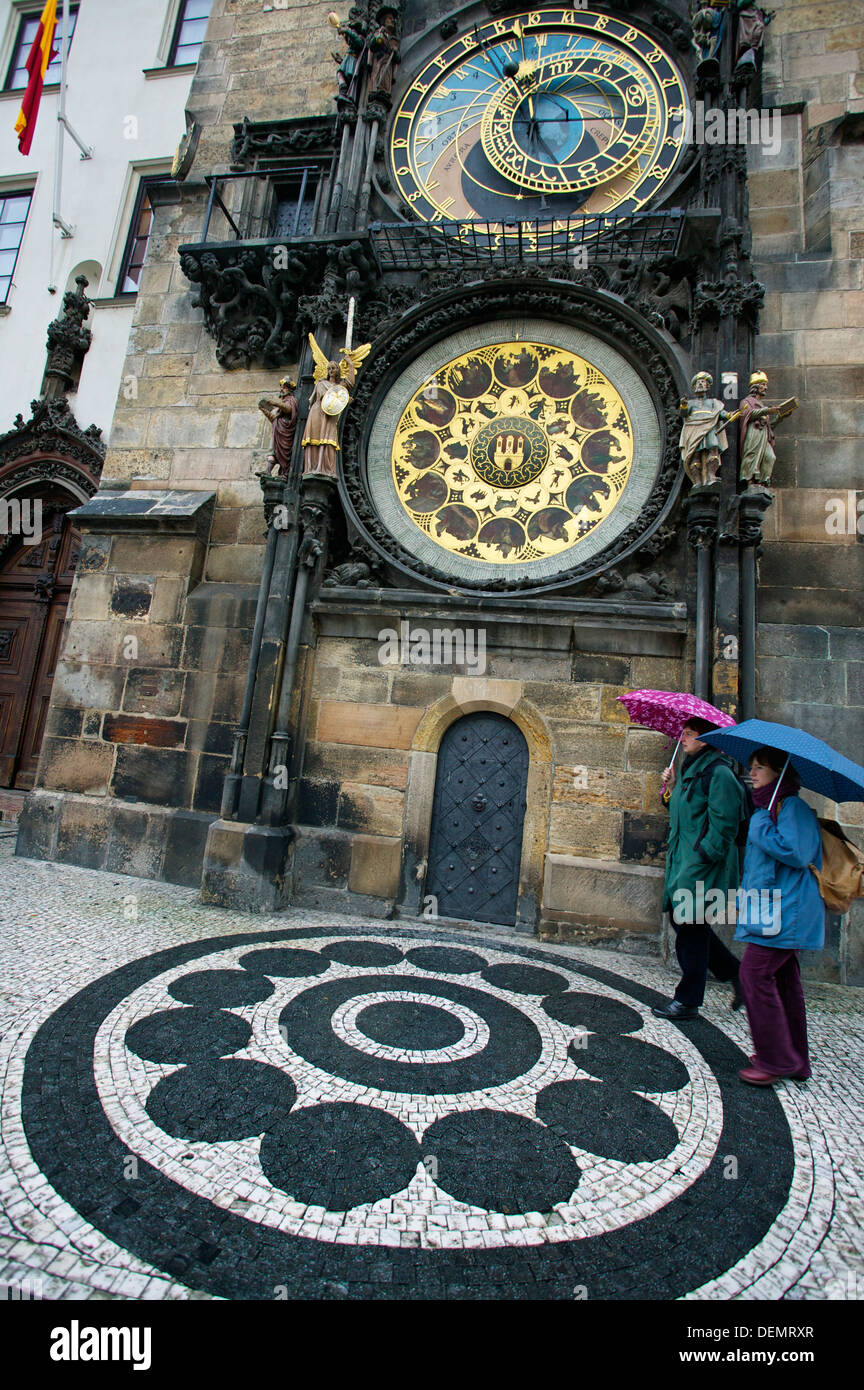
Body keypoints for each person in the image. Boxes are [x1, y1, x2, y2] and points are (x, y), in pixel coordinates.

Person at [735, 747, 824, 1086]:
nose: (753, 773)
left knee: (754, 975)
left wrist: (759, 823)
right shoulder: (769, 808)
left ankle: (776, 1059)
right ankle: (797, 1060)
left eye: (760, 768)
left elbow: (797, 853)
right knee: (786, 983)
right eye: (752, 767)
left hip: (788, 913)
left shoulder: (791, 807)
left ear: (779, 773)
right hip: (773, 910)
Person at [653, 717, 747, 1021]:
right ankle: (737, 974)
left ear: (705, 739)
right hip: (685, 861)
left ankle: (688, 1000)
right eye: (683, 733)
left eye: (689, 734)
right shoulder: (693, 770)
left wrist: (703, 856)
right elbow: (682, 812)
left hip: (702, 866)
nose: (682, 738)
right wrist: (670, 789)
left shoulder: (719, 773)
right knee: (689, 925)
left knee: (688, 927)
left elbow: (726, 825)